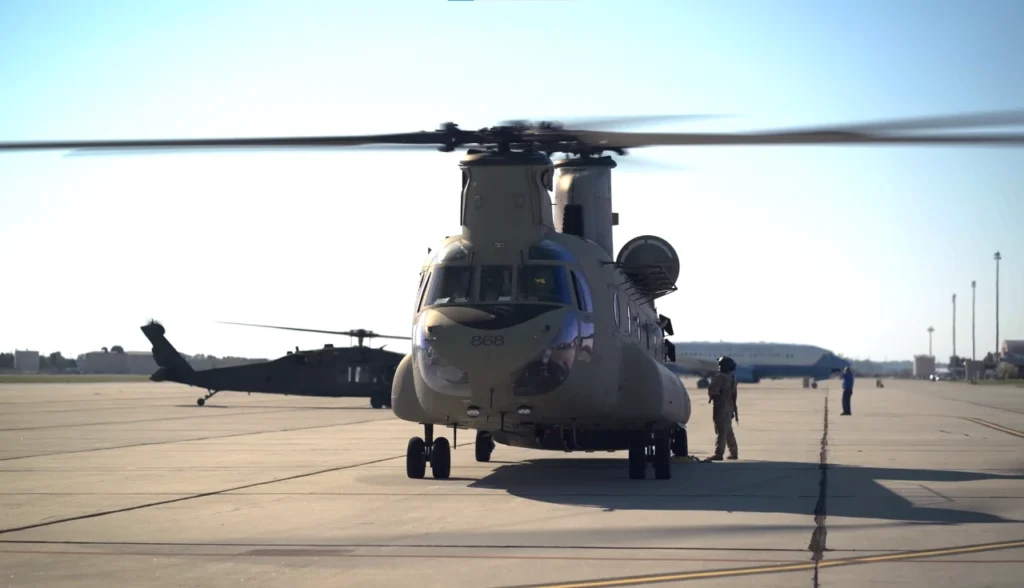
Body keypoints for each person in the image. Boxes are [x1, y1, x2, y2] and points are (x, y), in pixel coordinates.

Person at [707, 355, 739, 460]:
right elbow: (734, 394)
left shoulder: (720, 377)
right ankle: (733, 452)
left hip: (720, 406)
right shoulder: (732, 377)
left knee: (721, 430)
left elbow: (713, 391)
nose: (718, 366)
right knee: (728, 430)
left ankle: (718, 453)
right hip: (729, 407)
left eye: (720, 364)